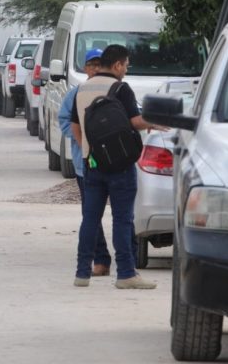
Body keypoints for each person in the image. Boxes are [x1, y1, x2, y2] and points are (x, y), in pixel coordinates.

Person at [71, 44, 164, 289]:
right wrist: (156, 121)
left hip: (92, 164)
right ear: (117, 65)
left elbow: (74, 126)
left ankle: (82, 273)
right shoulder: (121, 88)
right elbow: (134, 121)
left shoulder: (82, 88)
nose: (126, 70)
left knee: (90, 218)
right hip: (121, 164)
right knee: (123, 219)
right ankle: (125, 274)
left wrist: (87, 152)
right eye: (126, 65)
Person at [59, 48, 111, 277]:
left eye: (100, 64)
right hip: (85, 165)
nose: (96, 69)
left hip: (114, 162)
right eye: (92, 64)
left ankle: (128, 260)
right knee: (91, 213)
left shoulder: (115, 90)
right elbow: (64, 122)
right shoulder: (75, 94)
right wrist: (83, 141)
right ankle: (101, 259)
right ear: (86, 68)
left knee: (123, 213)